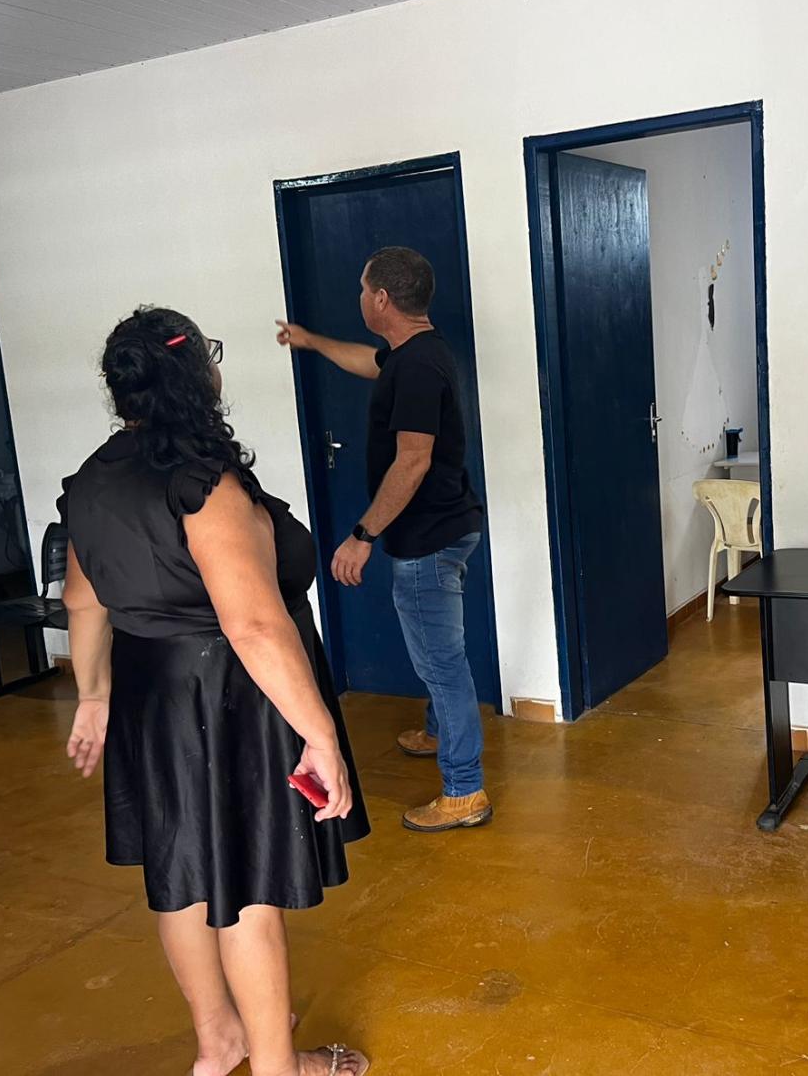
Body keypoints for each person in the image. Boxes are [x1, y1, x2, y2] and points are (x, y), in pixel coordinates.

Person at [60, 306, 371, 1076]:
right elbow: (255, 626)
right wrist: (320, 733)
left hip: (150, 696)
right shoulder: (202, 482)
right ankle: (277, 1067)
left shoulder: (92, 479)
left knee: (182, 879)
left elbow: (82, 601)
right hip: (228, 699)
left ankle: (218, 1040)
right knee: (247, 887)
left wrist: (93, 695)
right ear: (199, 374)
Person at [275, 246, 491, 833]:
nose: (359, 298)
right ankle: (439, 731)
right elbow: (369, 363)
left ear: (381, 298)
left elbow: (412, 460)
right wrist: (311, 341)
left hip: (427, 539)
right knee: (439, 654)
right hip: (446, 526)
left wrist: (363, 535)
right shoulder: (413, 353)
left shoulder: (417, 366)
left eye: (361, 289)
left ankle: (465, 790)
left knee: (442, 665)